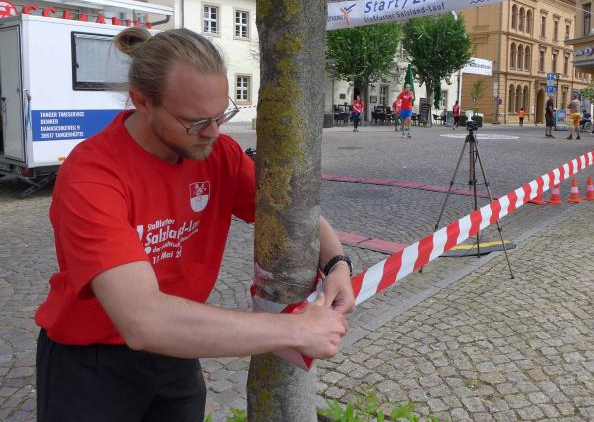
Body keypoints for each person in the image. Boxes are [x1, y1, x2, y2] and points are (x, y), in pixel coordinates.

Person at [34, 27, 355, 421]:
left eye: (221, 115)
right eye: (196, 121)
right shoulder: (92, 175)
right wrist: (297, 330)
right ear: (142, 101)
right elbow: (143, 319)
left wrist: (337, 263)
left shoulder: (219, 154)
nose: (214, 132)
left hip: (178, 351)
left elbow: (293, 217)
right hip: (92, 364)